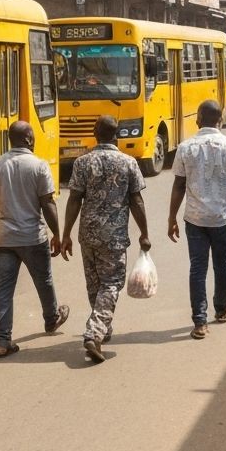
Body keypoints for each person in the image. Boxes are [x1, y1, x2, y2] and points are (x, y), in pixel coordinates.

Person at [61, 115, 150, 364]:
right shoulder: (128, 162)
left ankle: (102, 327)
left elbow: (74, 200)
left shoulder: (82, 162)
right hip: (114, 236)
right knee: (111, 284)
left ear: (94, 132)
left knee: (95, 284)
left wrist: (66, 233)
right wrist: (144, 232)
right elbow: (137, 201)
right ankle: (95, 332)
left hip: (87, 234)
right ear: (117, 135)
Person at [0, 120, 69, 357]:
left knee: (5, 290)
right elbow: (47, 203)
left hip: (5, 239)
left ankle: (2, 340)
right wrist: (58, 234)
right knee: (44, 280)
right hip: (32, 237)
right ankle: (51, 319)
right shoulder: (38, 166)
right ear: (29, 139)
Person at [168, 99, 226, 340]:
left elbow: (179, 185)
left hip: (194, 218)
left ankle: (200, 322)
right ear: (220, 120)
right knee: (222, 264)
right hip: (222, 217)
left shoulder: (185, 147)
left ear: (198, 119)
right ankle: (222, 307)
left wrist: (171, 217)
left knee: (198, 268)